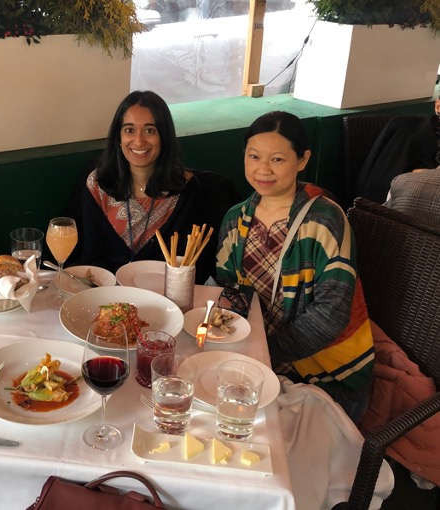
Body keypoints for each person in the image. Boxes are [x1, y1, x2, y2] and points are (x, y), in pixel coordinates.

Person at [216, 111, 375, 423]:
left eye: (277, 159)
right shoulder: (235, 220)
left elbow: (331, 313)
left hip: (327, 377)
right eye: (254, 156)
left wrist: (265, 353)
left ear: (302, 160)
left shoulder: (325, 219)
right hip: (261, 364)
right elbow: (230, 292)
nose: (263, 169)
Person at [79, 90, 239, 283]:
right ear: (118, 138)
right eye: (129, 130)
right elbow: (92, 260)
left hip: (165, 295)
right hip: (109, 293)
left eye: (150, 131)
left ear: (164, 137)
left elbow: (188, 263)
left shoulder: (185, 190)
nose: (139, 141)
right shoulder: (98, 186)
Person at [355, 98, 440, 203]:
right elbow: (380, 186)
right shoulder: (405, 130)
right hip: (396, 205)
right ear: (438, 106)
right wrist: (426, 177)